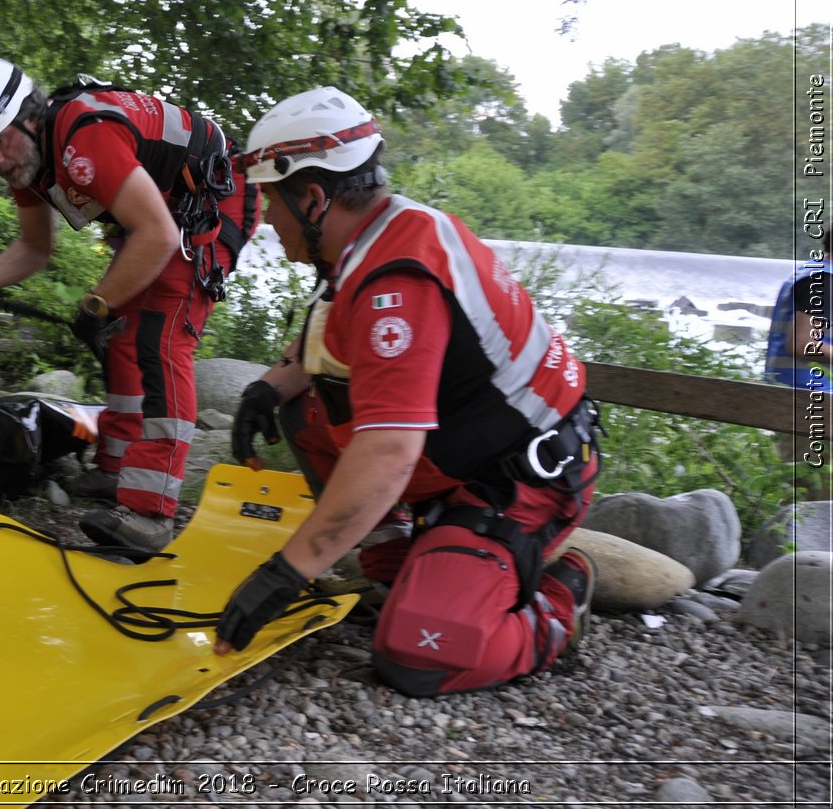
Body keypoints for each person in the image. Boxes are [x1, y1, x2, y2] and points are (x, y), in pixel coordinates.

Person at [213, 86, 600, 699]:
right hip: (461, 444)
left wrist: (289, 571)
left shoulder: (400, 279)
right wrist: (265, 387)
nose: (266, 218)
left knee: (418, 658)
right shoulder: (370, 240)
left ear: (312, 198)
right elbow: (323, 339)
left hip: (518, 479)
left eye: (269, 199)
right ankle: (402, 569)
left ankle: (557, 599)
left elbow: (388, 450)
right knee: (303, 410)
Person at [0, 57, 258, 552]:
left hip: (215, 194)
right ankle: (119, 465)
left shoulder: (85, 138)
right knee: (122, 330)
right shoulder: (31, 159)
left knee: (162, 336)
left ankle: (151, 513)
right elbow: (34, 250)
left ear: (30, 116)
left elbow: (162, 236)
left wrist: (96, 303)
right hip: (161, 211)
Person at [764, 234, 831, 498]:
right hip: (808, 401)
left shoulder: (810, 272)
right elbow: (802, 342)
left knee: (798, 493)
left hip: (791, 396)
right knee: (811, 498)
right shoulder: (824, 281)